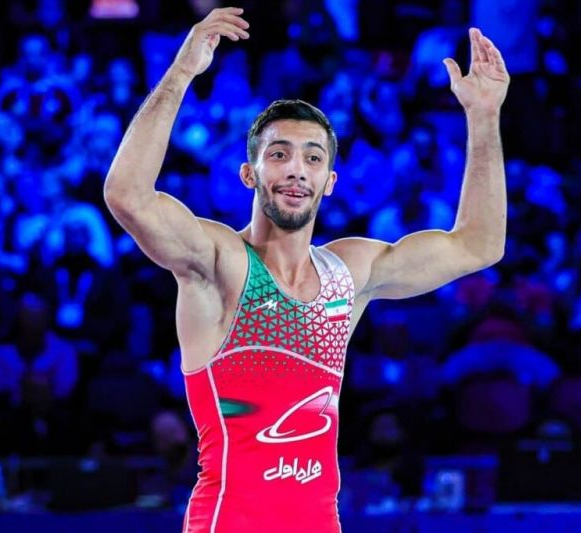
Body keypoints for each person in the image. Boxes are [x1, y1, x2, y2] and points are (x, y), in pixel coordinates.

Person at [103, 7, 509, 533]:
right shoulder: (220, 263)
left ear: (330, 181)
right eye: (279, 154)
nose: (297, 169)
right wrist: (181, 73)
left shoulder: (350, 272)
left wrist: (484, 117)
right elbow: (127, 195)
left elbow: (479, 244)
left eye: (313, 158)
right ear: (249, 174)